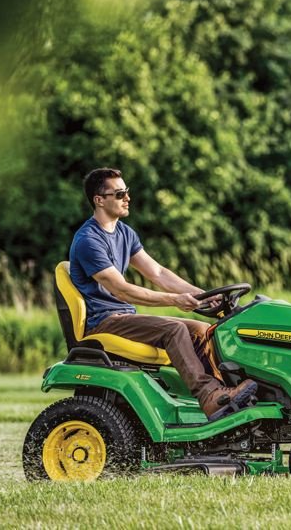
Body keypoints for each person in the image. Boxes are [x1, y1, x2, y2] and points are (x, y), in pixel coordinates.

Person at [68, 167, 257, 420]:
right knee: (174, 329)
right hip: (105, 321)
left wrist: (202, 295)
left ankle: (224, 393)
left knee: (201, 330)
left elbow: (158, 272)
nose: (127, 198)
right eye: (120, 193)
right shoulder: (88, 240)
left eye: (127, 192)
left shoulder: (125, 233)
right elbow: (122, 290)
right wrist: (174, 300)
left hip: (125, 317)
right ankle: (208, 396)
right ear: (99, 200)